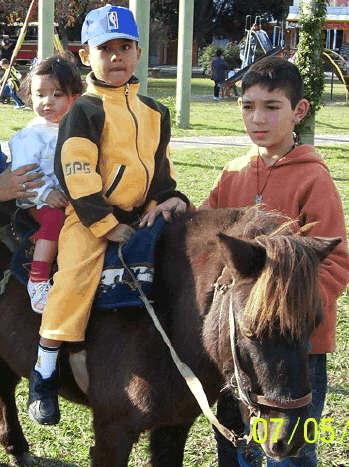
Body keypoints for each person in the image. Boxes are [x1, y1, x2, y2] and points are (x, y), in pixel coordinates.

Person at [27, 4, 189, 426]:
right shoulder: (85, 109)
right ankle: (44, 369)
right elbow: (76, 170)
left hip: (142, 211)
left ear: (138, 52)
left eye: (124, 47)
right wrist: (105, 223)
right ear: (86, 56)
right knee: (76, 274)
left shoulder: (156, 111)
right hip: (90, 215)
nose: (115, 56)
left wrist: (171, 198)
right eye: (105, 48)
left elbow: (159, 167)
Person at [201, 56, 349, 466]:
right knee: (240, 446)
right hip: (242, 354)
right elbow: (208, 241)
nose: (257, 118)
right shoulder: (232, 174)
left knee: (292, 453)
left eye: (271, 107)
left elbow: (334, 262)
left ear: (298, 110)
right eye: (248, 106)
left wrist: (284, 309)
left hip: (299, 352)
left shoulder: (312, 178)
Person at [9, 55, 83, 313]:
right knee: (54, 220)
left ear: (73, 97)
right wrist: (45, 193)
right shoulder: (31, 135)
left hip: (70, 195)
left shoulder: (76, 128)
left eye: (57, 94)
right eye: (40, 95)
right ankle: (38, 279)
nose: (47, 102)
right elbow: (21, 174)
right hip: (36, 198)